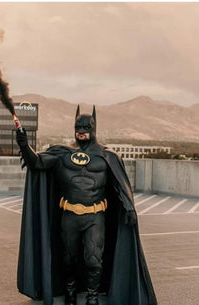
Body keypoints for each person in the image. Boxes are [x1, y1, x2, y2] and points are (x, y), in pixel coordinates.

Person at [16, 105, 157, 305]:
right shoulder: (62, 154)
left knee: (93, 259)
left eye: (86, 126)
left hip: (95, 216)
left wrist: (129, 207)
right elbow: (36, 162)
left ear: (94, 127)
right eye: (78, 126)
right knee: (68, 259)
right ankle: (70, 292)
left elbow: (120, 185)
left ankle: (92, 296)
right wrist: (24, 145)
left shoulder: (107, 156)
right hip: (69, 215)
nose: (81, 130)